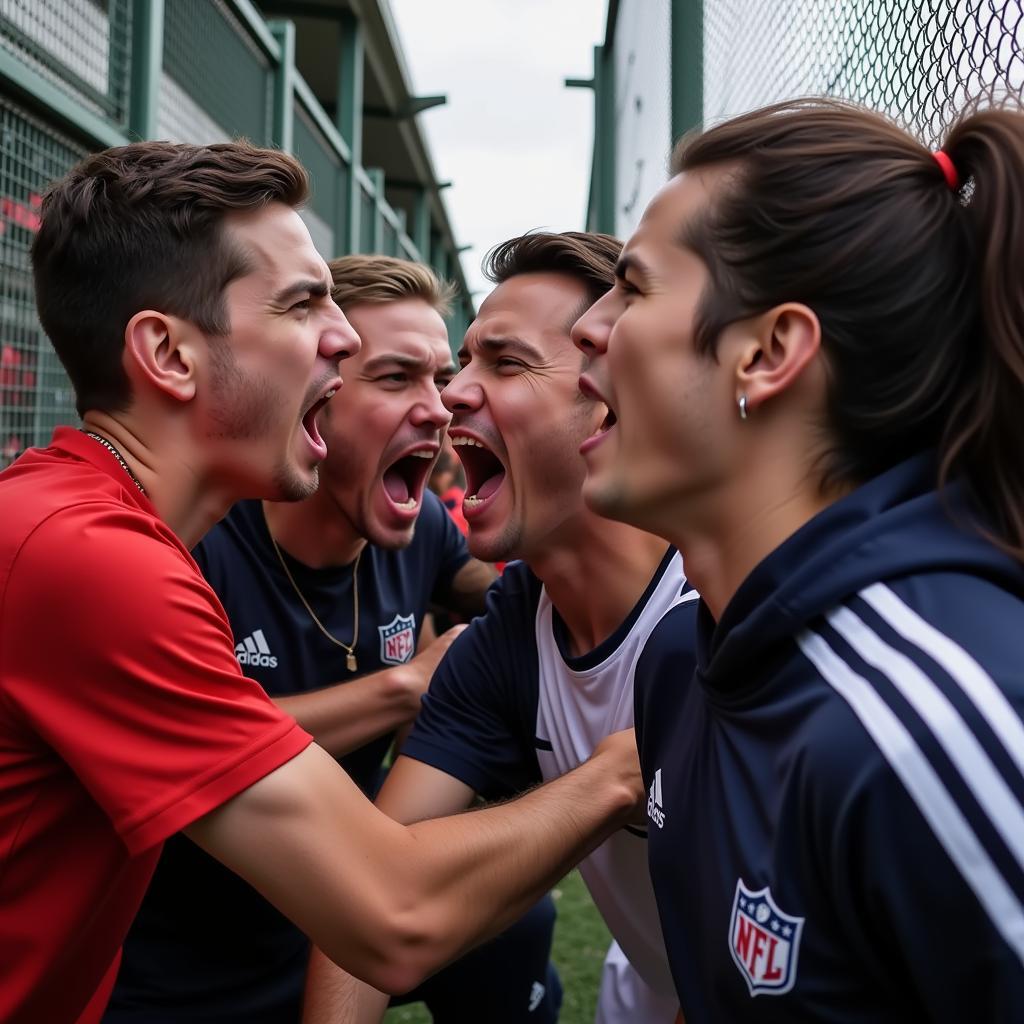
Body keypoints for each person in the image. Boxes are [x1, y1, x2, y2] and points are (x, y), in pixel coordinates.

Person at [0, 139, 643, 1024]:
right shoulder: (95, 559)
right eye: (304, 306)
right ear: (169, 355)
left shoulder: (93, 528)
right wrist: (623, 764)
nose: (339, 334)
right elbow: (391, 916)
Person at [573, 97, 1024, 1021]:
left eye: (636, 286)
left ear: (768, 352)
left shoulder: (936, 726)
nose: (590, 326)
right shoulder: (680, 667)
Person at [107, 253, 562, 1024]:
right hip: (179, 967)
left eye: (439, 376)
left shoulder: (420, 535)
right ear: (315, 398)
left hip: (334, 913)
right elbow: (179, 750)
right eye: (394, 379)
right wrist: (406, 687)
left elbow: (520, 602)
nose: (440, 408)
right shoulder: (201, 543)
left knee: (518, 921)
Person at [305, 231, 695, 1024]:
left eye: (505, 363)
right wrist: (611, 776)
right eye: (465, 361)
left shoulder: (726, 600)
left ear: (615, 394)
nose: (450, 397)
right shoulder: (513, 637)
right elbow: (374, 893)